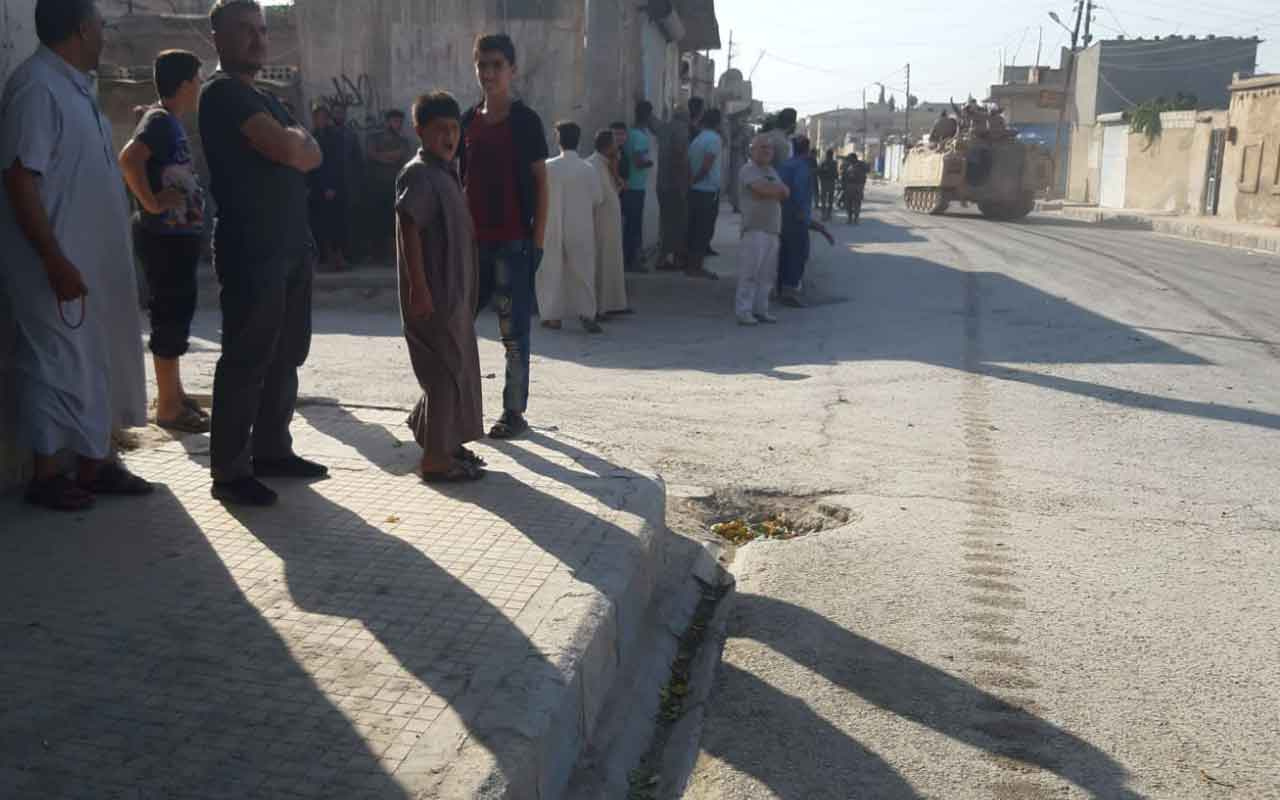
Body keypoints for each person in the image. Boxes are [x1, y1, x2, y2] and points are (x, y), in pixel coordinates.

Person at [0, 0, 151, 511]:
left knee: (92, 362)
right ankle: (45, 475)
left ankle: (95, 463)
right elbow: (20, 178)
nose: (105, 36)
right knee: (52, 365)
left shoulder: (73, 85)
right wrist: (55, 260)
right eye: (101, 27)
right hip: (54, 264)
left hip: (89, 262)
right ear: (84, 30)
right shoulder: (36, 88)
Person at [200, 0, 327, 506]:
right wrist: (295, 143)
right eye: (244, 30)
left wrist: (295, 142)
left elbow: (312, 153)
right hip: (253, 251)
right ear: (218, 38)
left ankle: (273, 449)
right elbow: (294, 150)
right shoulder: (223, 95)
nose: (257, 38)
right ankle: (230, 471)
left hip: (292, 247)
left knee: (285, 355)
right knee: (247, 359)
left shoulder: (268, 100)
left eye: (261, 29)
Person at [457, 33, 550, 440]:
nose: (489, 73)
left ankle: (513, 412)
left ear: (512, 70)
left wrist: (538, 241)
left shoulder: (525, 121)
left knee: (514, 335)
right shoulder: (466, 121)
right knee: (457, 325)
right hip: (473, 245)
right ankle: (457, 407)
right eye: (483, 65)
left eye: (497, 65)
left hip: (514, 242)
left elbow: (541, 184)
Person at [395, 91, 485, 483]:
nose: (449, 137)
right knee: (443, 370)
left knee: (454, 365)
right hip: (433, 292)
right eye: (439, 131)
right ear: (419, 132)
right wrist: (419, 286)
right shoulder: (419, 173)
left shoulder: (445, 170)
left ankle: (437, 436)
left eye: (454, 129)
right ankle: (435, 458)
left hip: (454, 292)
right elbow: (409, 226)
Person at [118, 48, 209, 435]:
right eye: (198, 78)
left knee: (176, 314)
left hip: (176, 237)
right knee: (169, 315)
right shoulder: (158, 121)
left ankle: (174, 393)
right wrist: (152, 203)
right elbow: (129, 159)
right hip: (165, 238)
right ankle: (169, 408)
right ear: (186, 83)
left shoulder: (164, 120)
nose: (201, 85)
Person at [536, 122, 602, 333]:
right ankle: (587, 313)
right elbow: (597, 198)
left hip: (551, 224)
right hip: (580, 225)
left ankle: (552, 316)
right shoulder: (588, 169)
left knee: (550, 269)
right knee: (583, 269)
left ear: (558, 139)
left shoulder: (547, 167)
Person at [735, 134, 789, 326]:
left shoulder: (771, 170)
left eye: (769, 148)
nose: (767, 151)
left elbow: (785, 192)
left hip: (772, 229)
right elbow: (762, 190)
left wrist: (773, 189)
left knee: (766, 275)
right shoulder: (748, 169)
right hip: (754, 228)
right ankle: (744, 311)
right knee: (750, 273)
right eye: (762, 147)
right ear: (753, 150)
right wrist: (774, 189)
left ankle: (761, 310)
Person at [777, 136, 834, 306]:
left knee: (785, 253)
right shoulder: (802, 167)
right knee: (798, 253)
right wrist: (805, 216)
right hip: (796, 216)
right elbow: (800, 192)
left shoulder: (785, 165)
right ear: (808, 149)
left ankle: (781, 288)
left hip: (782, 214)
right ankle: (790, 291)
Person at [587, 129, 629, 317]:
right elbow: (596, 197)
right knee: (601, 263)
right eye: (614, 143)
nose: (617, 146)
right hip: (600, 223)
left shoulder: (608, 163)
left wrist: (615, 170)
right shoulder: (592, 164)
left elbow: (620, 188)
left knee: (613, 262)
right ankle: (599, 307)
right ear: (607, 146)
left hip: (611, 222)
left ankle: (614, 303)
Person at [366, 108, 413, 263]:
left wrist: (384, 156)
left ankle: (394, 254)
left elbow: (404, 155)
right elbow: (372, 154)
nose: (397, 124)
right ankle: (378, 254)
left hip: (396, 185)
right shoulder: (376, 137)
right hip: (378, 185)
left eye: (399, 121)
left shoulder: (404, 140)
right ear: (387, 122)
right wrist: (390, 156)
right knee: (378, 219)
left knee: (394, 219)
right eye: (394, 121)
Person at [306, 103, 345, 269]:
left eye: (323, 116)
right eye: (317, 116)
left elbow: (335, 163)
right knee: (318, 224)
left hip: (331, 188)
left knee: (334, 223)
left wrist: (331, 186)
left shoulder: (334, 136)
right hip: (315, 188)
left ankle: (337, 257)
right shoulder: (310, 135)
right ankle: (323, 258)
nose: (319, 120)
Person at [685, 108, 723, 280]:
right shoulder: (714, 139)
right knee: (703, 231)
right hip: (707, 190)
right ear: (717, 123)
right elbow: (707, 165)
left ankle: (691, 266)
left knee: (694, 229)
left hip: (696, 190)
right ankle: (696, 268)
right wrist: (695, 179)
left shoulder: (697, 139)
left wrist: (691, 181)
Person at [656, 102, 691, 271]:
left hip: (662, 182)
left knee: (666, 223)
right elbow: (679, 156)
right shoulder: (682, 130)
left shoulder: (664, 127)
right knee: (677, 224)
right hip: (674, 184)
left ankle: (665, 258)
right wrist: (683, 183)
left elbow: (651, 122)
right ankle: (671, 259)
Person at [327, 103, 365, 261]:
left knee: (350, 221)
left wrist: (358, 182)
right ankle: (335, 255)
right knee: (334, 222)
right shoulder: (326, 133)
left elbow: (357, 160)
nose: (339, 115)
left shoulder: (350, 134)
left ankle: (350, 255)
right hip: (332, 186)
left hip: (349, 184)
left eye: (341, 113)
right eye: (336, 113)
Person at [622, 101, 655, 273]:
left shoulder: (629, 133)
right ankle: (632, 261)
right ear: (648, 116)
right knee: (634, 226)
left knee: (629, 225)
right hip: (635, 187)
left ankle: (629, 259)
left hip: (628, 185)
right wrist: (649, 163)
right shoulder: (640, 137)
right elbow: (638, 161)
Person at [842, 152, 869, 224]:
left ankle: (856, 218)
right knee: (848, 203)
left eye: (850, 158)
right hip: (849, 186)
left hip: (858, 186)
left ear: (854, 158)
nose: (849, 160)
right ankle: (849, 218)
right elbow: (844, 175)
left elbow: (866, 171)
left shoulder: (861, 164)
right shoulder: (848, 165)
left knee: (857, 203)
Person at [816, 148, 838, 221]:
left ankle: (824, 215)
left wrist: (821, 177)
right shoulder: (834, 163)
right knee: (830, 200)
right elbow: (836, 174)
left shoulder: (823, 162)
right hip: (831, 182)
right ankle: (828, 214)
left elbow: (818, 172)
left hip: (825, 182)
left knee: (824, 199)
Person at [610, 121, 630, 186]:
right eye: (616, 134)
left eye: (622, 134)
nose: (619, 137)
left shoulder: (623, 153)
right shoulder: (606, 154)